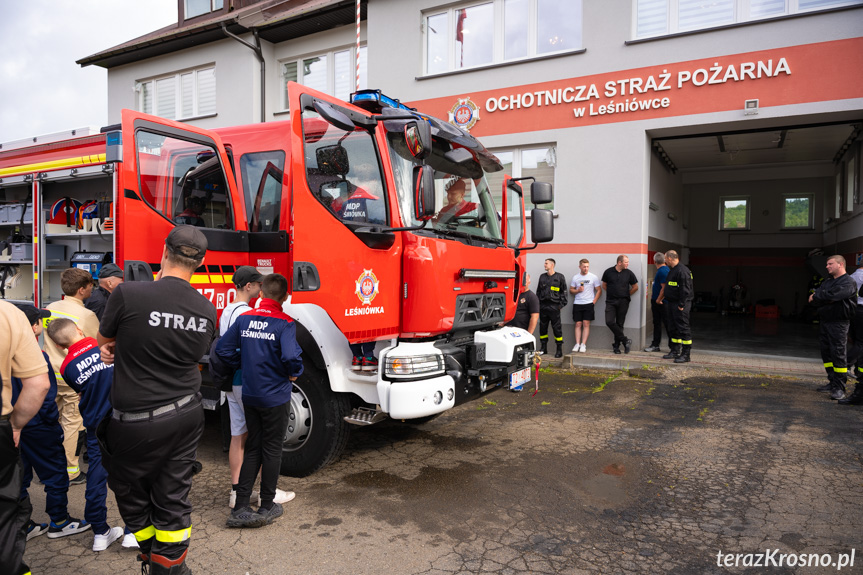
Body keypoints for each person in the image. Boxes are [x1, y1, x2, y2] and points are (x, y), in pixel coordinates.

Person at [97, 225, 217, 574]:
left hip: (136, 420)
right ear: (201, 263)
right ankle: (171, 566)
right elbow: (191, 352)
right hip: (186, 415)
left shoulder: (128, 294)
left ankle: (154, 556)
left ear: (164, 252)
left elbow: (104, 338)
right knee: (173, 493)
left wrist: (119, 346)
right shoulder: (207, 309)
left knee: (130, 491)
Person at [215, 273, 303, 529]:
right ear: (285, 297)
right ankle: (267, 504)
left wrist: (242, 364)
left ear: (262, 293)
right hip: (275, 395)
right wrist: (293, 370)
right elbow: (290, 356)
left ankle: (241, 505)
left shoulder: (245, 319)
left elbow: (222, 349)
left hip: (250, 393)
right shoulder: (285, 322)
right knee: (272, 448)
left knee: (253, 446)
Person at [12, 305, 89, 543]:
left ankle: (23, 524)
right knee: (55, 474)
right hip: (38, 426)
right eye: (39, 322)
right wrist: (49, 421)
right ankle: (60, 522)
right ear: (32, 327)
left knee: (19, 477)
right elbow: (44, 394)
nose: (41, 326)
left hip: (12, 427)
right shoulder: (36, 356)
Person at [48, 318, 125, 552]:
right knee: (134, 473)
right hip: (122, 418)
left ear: (60, 346)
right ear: (80, 330)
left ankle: (99, 531)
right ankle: (134, 530)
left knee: (96, 476)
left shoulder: (66, 367)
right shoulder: (102, 346)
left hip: (95, 425)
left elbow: (82, 391)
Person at [0, 300, 51, 575]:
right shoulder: (8, 314)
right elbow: (39, 385)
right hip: (1, 429)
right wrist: (15, 426)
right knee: (5, 516)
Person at [45, 267, 100, 485]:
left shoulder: (50, 307)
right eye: (89, 287)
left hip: (50, 374)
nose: (91, 291)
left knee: (53, 422)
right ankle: (71, 471)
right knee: (73, 424)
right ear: (81, 290)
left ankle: (49, 465)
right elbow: (98, 343)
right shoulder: (86, 315)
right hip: (72, 377)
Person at [809, 255, 857, 400]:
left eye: (830, 264)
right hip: (825, 322)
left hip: (839, 323)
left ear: (840, 264)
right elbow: (817, 298)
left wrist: (820, 296)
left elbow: (833, 296)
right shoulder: (828, 282)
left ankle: (839, 387)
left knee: (838, 354)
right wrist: (821, 297)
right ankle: (832, 382)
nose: (827, 266)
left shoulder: (848, 282)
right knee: (827, 353)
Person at [601, 255, 639, 354]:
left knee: (620, 324)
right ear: (619, 263)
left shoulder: (629, 273)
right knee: (609, 321)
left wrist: (626, 295)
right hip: (611, 301)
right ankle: (626, 340)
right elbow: (604, 285)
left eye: (628, 262)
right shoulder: (608, 272)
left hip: (623, 302)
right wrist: (613, 293)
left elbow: (635, 287)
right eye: (626, 262)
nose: (628, 264)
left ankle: (616, 346)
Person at [661, 251, 694, 363]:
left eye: (665, 258)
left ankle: (686, 354)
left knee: (683, 328)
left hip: (680, 304)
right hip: (672, 303)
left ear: (670, 258)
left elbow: (685, 290)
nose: (664, 260)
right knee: (673, 327)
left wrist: (681, 304)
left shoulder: (682, 270)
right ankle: (675, 350)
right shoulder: (673, 270)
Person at [839, 264, 863, 405]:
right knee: (860, 343)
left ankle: (854, 367)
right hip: (861, 310)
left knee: (857, 342)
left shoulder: (853, 276)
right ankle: (847, 364)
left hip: (855, 311)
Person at [536, 258, 568, 358]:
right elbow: (538, 292)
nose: (544, 265)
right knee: (543, 328)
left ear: (552, 265)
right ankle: (543, 348)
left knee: (557, 329)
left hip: (554, 307)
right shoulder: (542, 277)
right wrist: (538, 305)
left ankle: (559, 350)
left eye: (546, 263)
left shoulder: (560, 277)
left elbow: (564, 292)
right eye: (544, 263)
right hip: (543, 306)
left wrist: (561, 305)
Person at [569, 259, 602, 353]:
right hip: (578, 303)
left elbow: (599, 290)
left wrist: (594, 301)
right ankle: (577, 344)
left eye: (587, 266)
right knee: (578, 324)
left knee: (586, 324)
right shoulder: (575, 277)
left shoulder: (593, 277)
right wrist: (578, 290)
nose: (586, 268)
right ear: (580, 267)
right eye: (584, 266)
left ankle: (583, 344)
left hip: (588, 303)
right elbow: (571, 290)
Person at [644, 252, 670, 352]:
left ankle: (668, 346)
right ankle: (658, 344)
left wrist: (658, 300)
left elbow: (664, 288)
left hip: (661, 302)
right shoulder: (666, 270)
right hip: (662, 301)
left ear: (655, 262)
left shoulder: (662, 271)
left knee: (662, 323)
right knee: (659, 323)